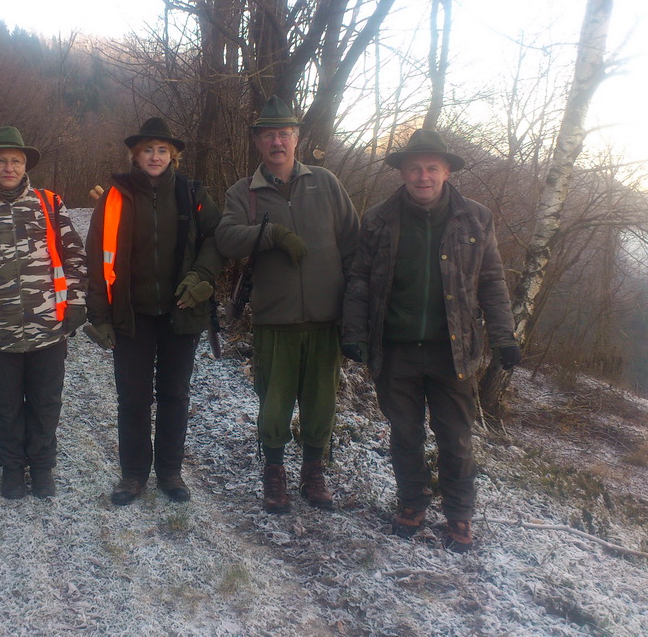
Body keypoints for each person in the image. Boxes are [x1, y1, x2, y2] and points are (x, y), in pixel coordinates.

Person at [341, 128, 520, 552]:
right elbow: (360, 280)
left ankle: (459, 515)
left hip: (452, 351)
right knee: (405, 435)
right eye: (415, 168)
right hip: (395, 349)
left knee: (455, 438)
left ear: (446, 172)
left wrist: (504, 337)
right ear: (403, 172)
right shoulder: (378, 219)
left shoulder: (475, 218)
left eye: (432, 168)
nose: (423, 176)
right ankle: (411, 503)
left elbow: (492, 281)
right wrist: (354, 332)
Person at [215, 96, 360, 513]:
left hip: (326, 318)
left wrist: (355, 308)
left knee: (321, 403)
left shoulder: (326, 183)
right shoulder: (244, 192)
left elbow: (354, 245)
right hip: (274, 319)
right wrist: (271, 234)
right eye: (268, 135)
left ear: (297, 138)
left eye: (284, 134)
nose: (277, 142)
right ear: (258, 142)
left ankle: (314, 471)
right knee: (274, 403)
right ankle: (274, 472)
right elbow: (226, 238)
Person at [84, 118, 224, 506]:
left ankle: (169, 472)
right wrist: (99, 316)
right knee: (132, 399)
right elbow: (96, 258)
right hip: (131, 315)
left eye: (163, 150)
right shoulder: (115, 197)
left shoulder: (193, 193)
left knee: (174, 395)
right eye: (148, 149)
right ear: (135, 154)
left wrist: (202, 276)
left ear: (173, 156)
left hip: (182, 312)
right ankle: (132, 475)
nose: (155, 156)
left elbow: (218, 236)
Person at [0, 127, 87, 500]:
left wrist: (76, 301)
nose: (9, 167)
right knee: (5, 407)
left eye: (16, 161)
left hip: (48, 328)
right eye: (1, 161)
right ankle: (11, 468)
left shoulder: (49, 204)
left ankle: (41, 467)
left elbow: (74, 255)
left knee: (46, 403)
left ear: (26, 166)